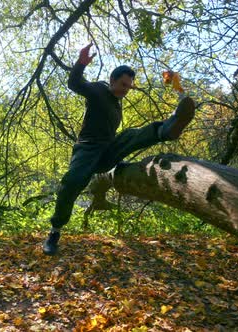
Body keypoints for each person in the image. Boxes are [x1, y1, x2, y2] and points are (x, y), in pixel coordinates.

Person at [42, 42, 196, 255]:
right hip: (87, 151)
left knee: (131, 134)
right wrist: (80, 63)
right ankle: (54, 233)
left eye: (129, 87)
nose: (126, 90)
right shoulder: (98, 89)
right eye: (123, 85)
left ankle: (167, 129)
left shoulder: (117, 105)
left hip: (107, 153)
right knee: (72, 182)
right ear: (113, 80)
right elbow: (75, 84)